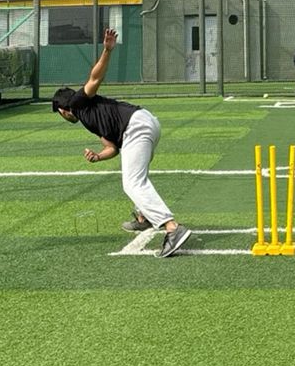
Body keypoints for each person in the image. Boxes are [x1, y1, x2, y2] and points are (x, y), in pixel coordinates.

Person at [52, 29, 191, 257]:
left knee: (133, 183)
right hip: (142, 125)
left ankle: (172, 228)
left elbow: (95, 77)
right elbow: (112, 148)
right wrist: (98, 156)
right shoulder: (89, 117)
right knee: (133, 176)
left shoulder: (78, 103)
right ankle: (143, 216)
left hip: (135, 127)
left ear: (61, 110)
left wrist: (107, 50)